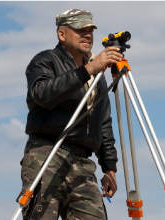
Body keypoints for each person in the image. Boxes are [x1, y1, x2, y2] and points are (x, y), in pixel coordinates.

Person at [21, 9, 123, 220]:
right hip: (47, 153)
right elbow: (42, 94)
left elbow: (103, 122)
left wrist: (109, 167)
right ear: (62, 34)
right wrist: (89, 69)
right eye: (80, 30)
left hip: (83, 161)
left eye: (90, 31)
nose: (87, 35)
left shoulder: (98, 73)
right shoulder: (45, 61)